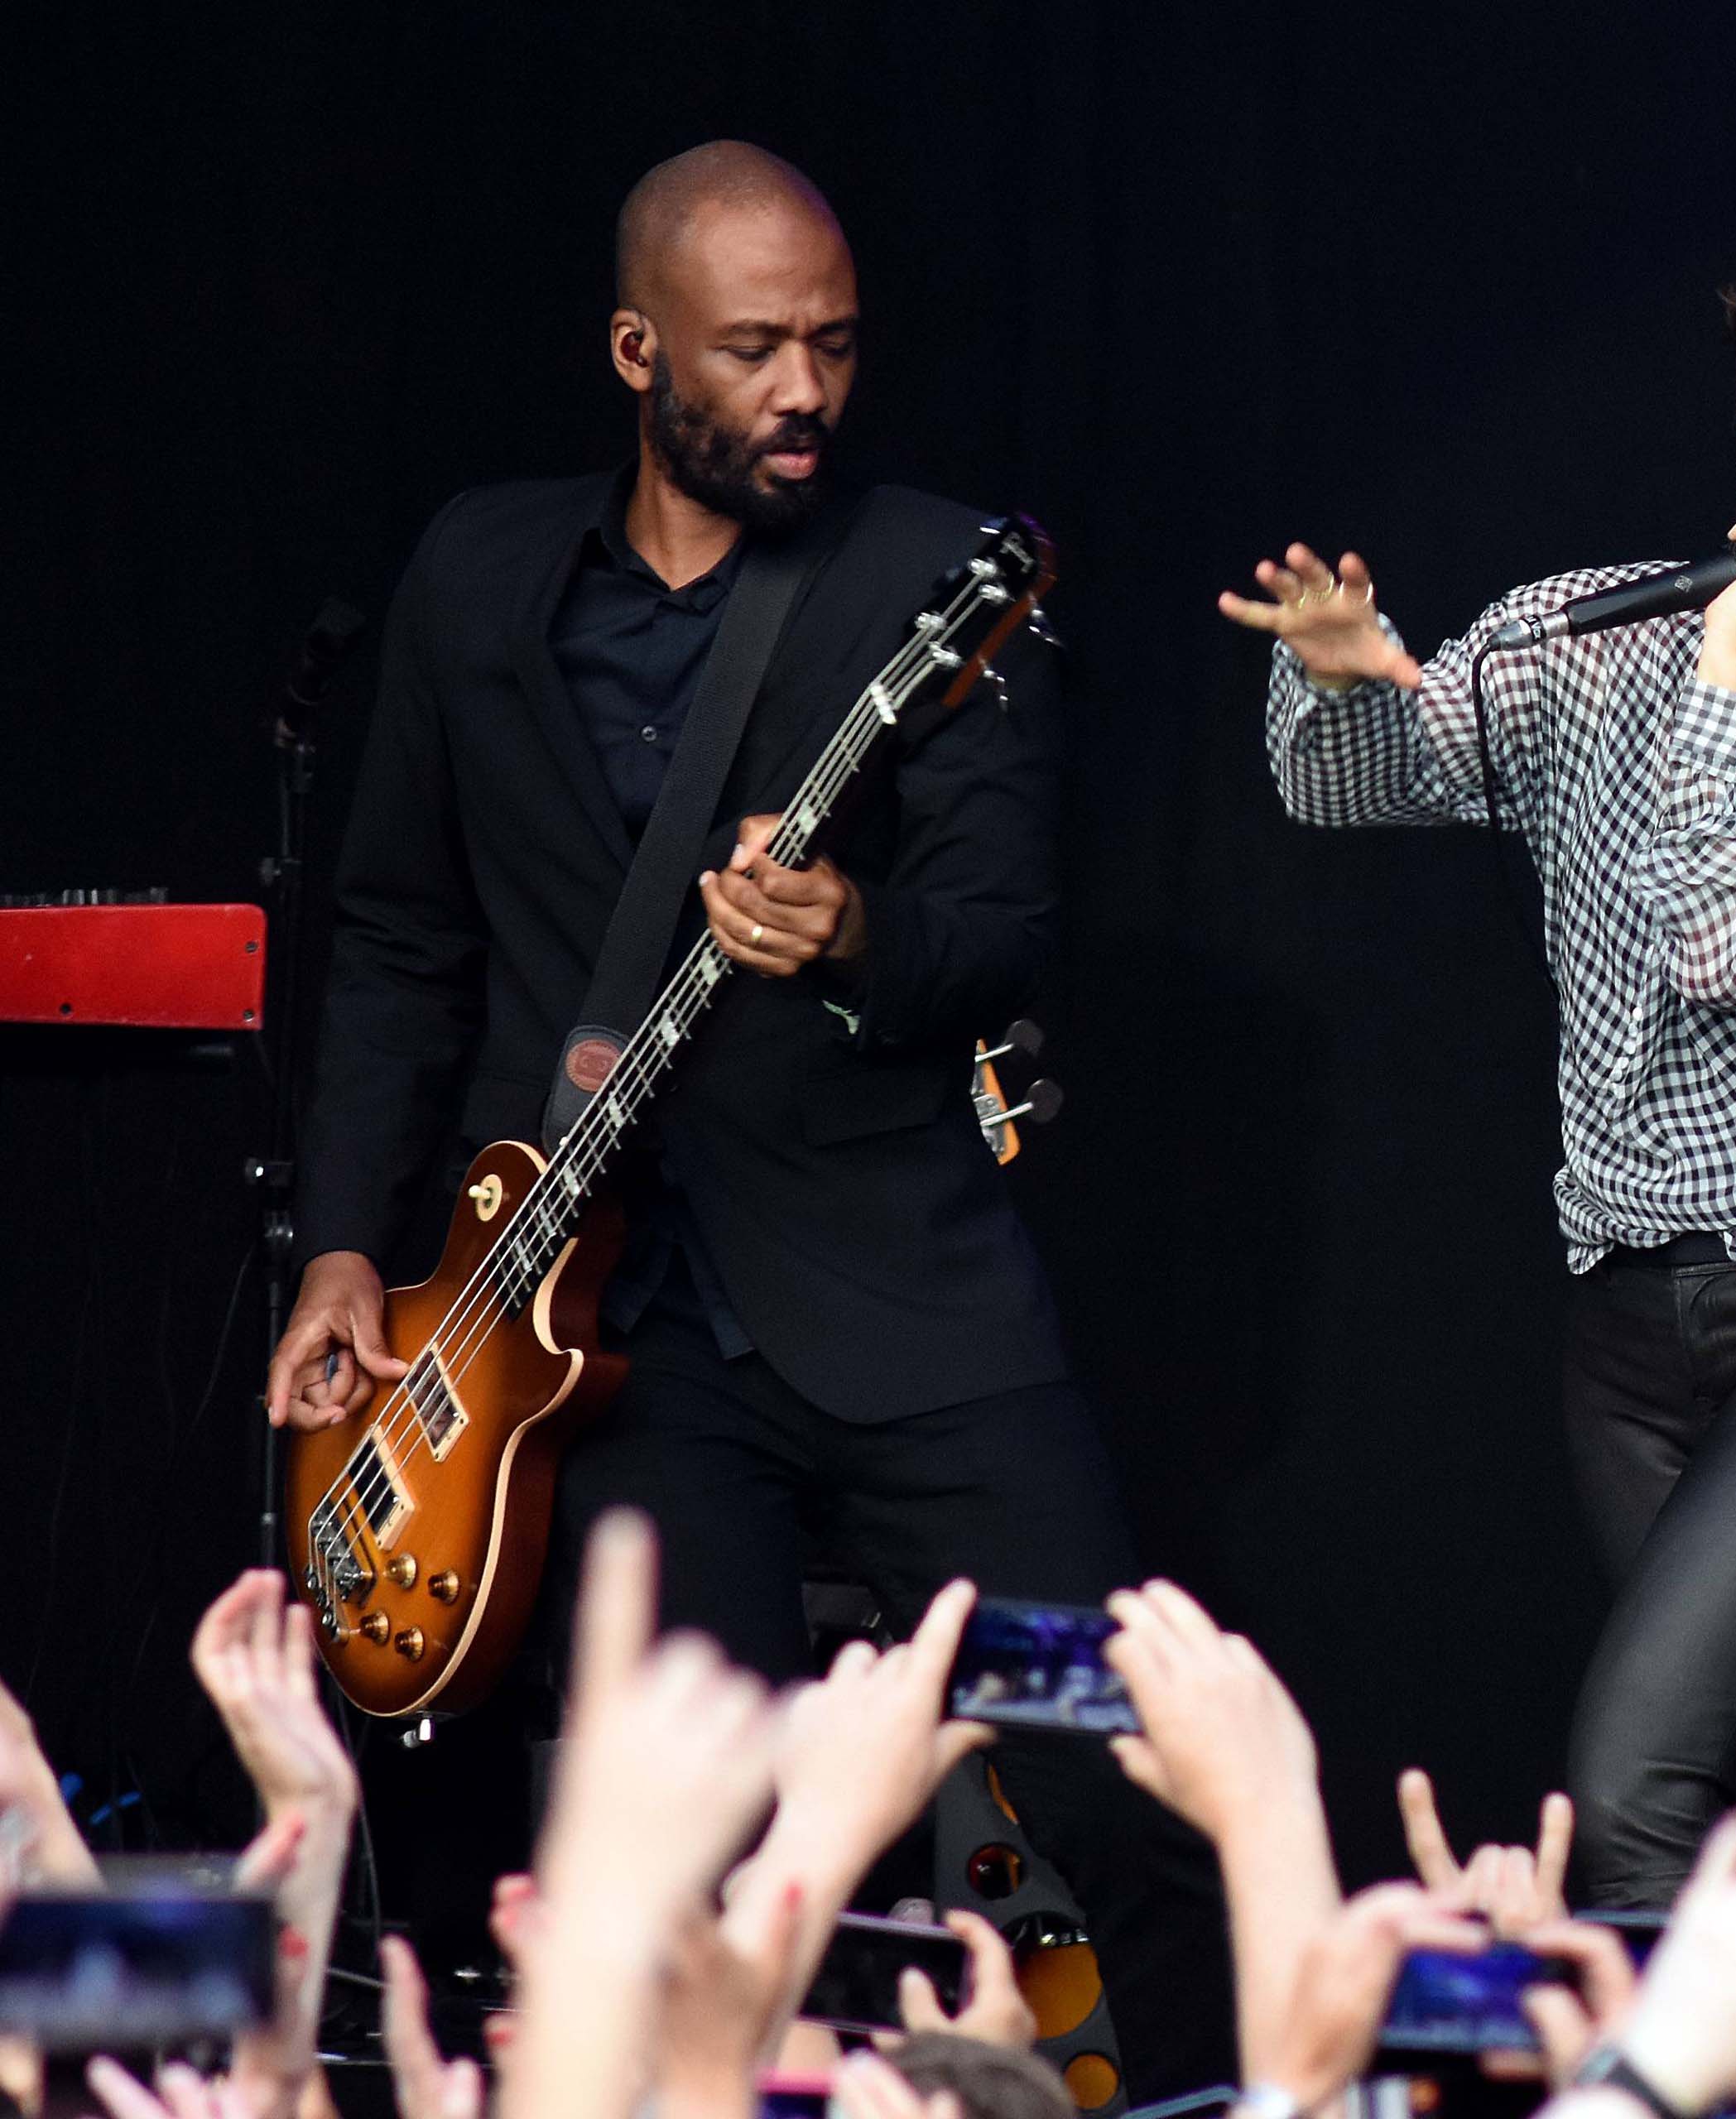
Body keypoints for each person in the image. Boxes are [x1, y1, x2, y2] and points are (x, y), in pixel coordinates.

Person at [259, 140, 1225, 2093]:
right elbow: (396, 932)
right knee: (701, 1824)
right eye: (757, 348)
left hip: (898, 1290)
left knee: (1115, 1763)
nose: (805, 391)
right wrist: (349, 1242)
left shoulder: (929, 579)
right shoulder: (477, 571)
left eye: (837, 348)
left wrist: (854, 927)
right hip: (593, 1345)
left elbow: (1002, 937)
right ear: (638, 350)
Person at [1223, 230, 1736, 1902]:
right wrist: (1332, 677)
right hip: (1629, 1306)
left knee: (1642, 1792)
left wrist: (1733, 669)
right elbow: (1363, 778)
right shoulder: (1589, 635)